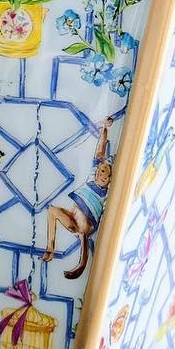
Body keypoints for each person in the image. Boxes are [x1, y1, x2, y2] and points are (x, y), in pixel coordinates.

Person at [43, 113, 117, 279]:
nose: (101, 174)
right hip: (73, 217)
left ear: (110, 179)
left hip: (85, 224)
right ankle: (50, 248)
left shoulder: (106, 192)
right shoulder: (93, 174)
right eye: (101, 170)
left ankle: (81, 265)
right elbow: (100, 150)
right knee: (52, 211)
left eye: (105, 173)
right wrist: (104, 129)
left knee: (83, 229)